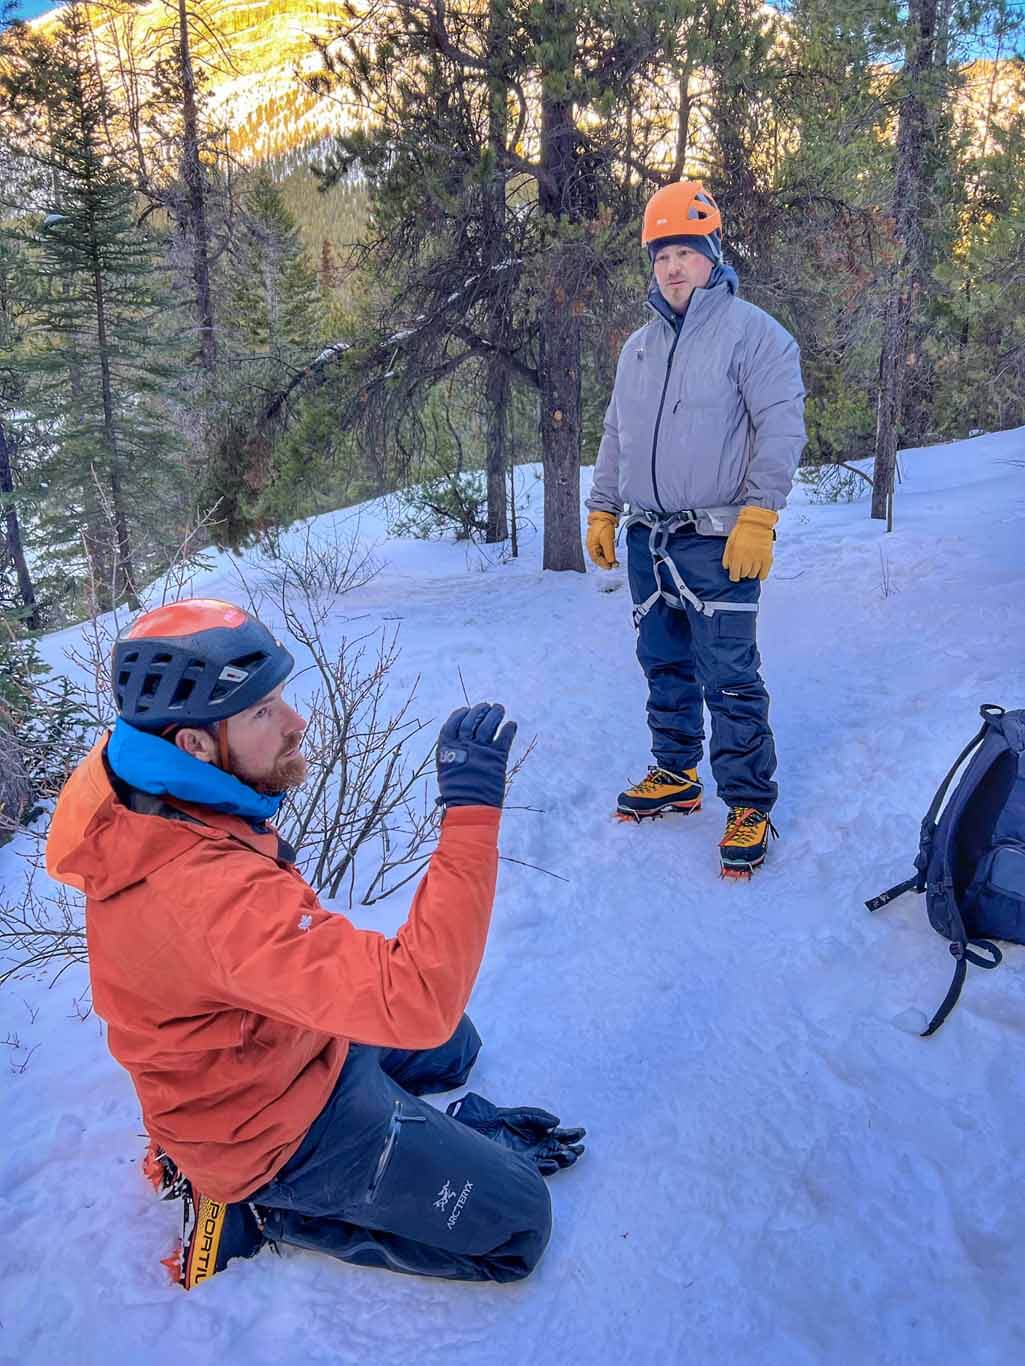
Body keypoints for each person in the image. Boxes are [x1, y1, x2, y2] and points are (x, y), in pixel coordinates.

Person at [46, 598, 583, 1288]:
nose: (295, 723)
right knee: (517, 1222)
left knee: (455, 1046)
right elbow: (415, 998)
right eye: (263, 712)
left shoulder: (140, 783)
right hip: (261, 1127)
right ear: (195, 745)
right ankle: (269, 1209)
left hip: (270, 1033)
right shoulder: (208, 892)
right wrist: (472, 813)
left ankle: (385, 1125)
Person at [585, 180, 806, 878]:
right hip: (648, 539)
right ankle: (675, 774)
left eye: (686, 251)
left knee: (730, 675)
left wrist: (760, 514)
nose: (672, 267)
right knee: (663, 663)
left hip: (718, 537)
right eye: (661, 255)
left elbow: (780, 429)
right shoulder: (638, 349)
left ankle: (746, 801)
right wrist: (601, 506)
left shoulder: (755, 335)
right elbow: (616, 433)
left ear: (713, 255)